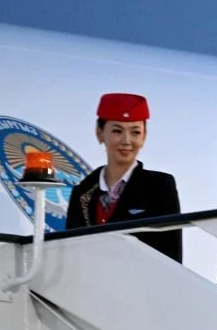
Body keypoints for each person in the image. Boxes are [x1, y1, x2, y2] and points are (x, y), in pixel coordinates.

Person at [64, 92, 183, 263]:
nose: (126, 141)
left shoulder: (159, 187)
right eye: (117, 131)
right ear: (99, 133)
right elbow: (71, 255)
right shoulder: (82, 192)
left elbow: (171, 254)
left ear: (144, 136)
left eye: (135, 132)